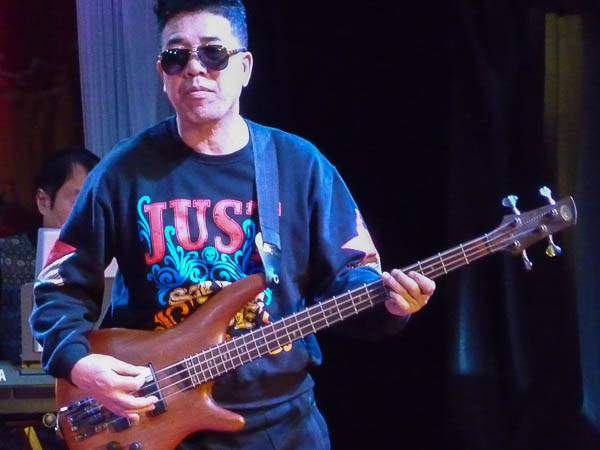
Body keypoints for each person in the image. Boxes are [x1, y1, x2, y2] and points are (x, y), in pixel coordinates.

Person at [30, 1, 436, 449]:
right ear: (162, 72)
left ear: (244, 67)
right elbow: (60, 286)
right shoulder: (122, 172)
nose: (194, 69)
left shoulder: (298, 166)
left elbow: (350, 277)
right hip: (156, 420)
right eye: (176, 56)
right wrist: (78, 363)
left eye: (213, 53)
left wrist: (390, 305)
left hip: (282, 426)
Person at [0, 146, 99, 448]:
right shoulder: (5, 256)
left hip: (95, 389)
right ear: (44, 201)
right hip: (21, 402)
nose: (89, 211)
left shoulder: (117, 253)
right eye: (78, 199)